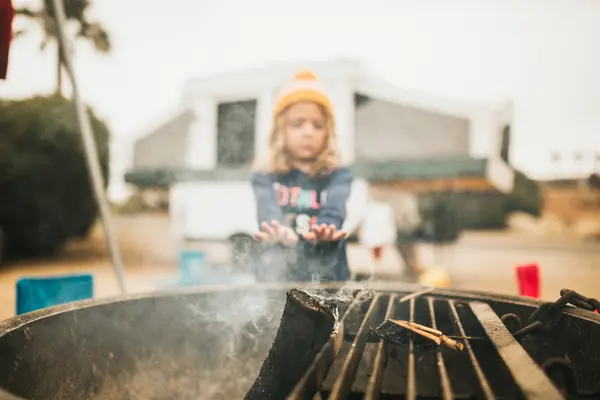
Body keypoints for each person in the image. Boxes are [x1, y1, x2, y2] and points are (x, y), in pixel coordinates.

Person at [251, 69, 353, 282]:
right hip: (279, 280)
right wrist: (277, 228)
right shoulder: (265, 176)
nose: (308, 132)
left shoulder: (339, 175)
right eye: (297, 124)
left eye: (318, 125)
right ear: (281, 130)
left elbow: (335, 208)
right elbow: (267, 209)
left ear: (328, 132)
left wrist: (326, 228)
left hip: (329, 279)